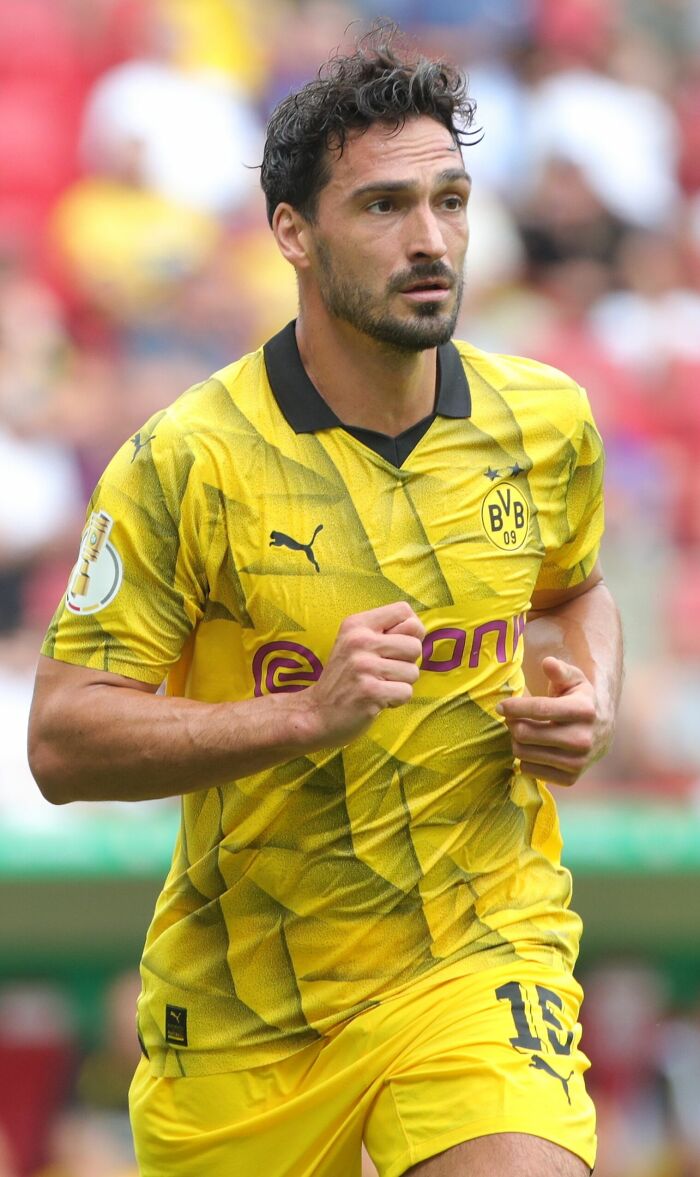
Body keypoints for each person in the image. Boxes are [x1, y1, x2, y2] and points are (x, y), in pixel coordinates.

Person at [28, 25, 623, 1177]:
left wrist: (590, 692)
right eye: (384, 206)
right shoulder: (183, 463)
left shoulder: (545, 422)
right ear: (292, 232)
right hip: (249, 1007)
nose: (430, 239)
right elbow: (61, 739)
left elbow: (577, 592)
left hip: (477, 952)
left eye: (450, 200)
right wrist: (300, 715)